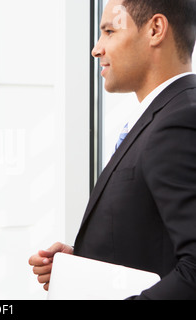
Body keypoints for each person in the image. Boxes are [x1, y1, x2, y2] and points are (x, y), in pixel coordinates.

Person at [29, 0, 196, 299]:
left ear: (155, 30)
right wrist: (83, 265)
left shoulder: (178, 123)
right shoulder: (165, 114)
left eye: (109, 31)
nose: (96, 49)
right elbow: (158, 240)